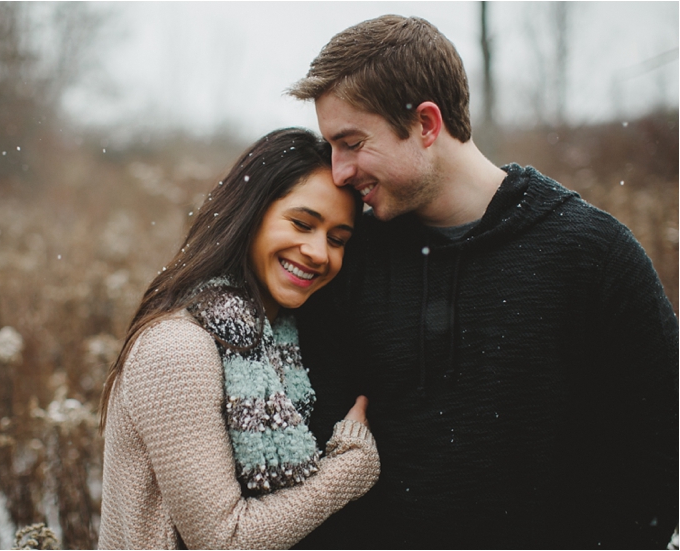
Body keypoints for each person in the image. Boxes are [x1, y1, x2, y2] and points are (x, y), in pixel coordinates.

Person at [288, 15, 679, 549]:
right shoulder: (348, 254)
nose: (338, 171)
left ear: (427, 124)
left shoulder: (592, 255)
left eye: (352, 142)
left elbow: (658, 456)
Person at [97, 128, 380, 549]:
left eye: (337, 240)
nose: (319, 252)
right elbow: (224, 540)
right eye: (302, 223)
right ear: (250, 216)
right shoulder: (178, 348)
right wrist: (350, 469)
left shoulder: (277, 341)